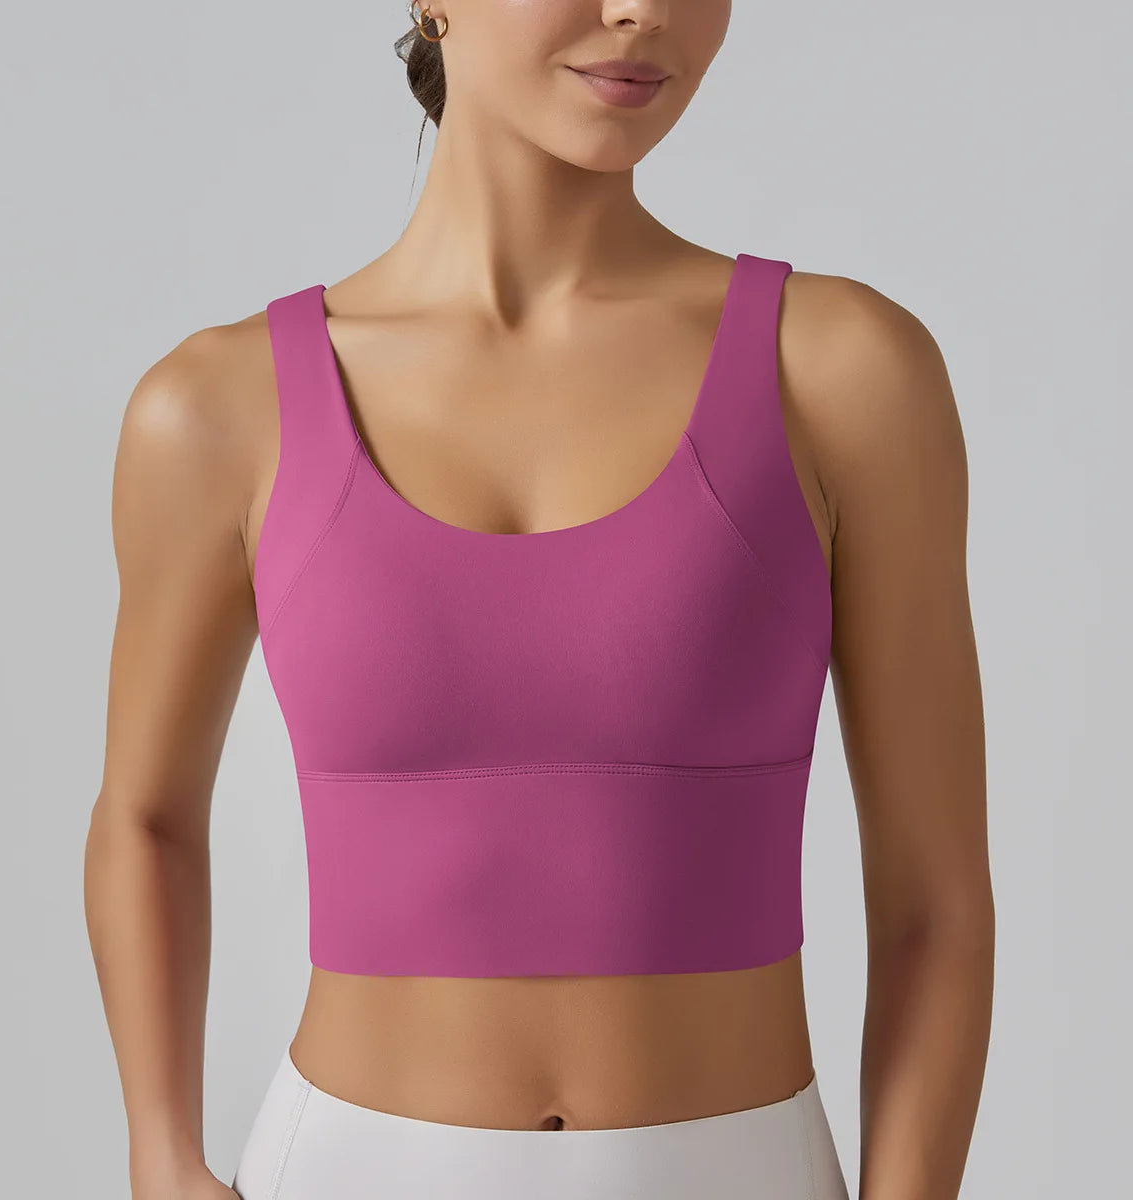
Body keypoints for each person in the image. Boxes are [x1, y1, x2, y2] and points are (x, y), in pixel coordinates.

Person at [83, 3, 994, 1198]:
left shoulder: (843, 375)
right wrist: (160, 1156)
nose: (643, 10)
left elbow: (936, 898)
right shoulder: (216, 409)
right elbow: (144, 816)